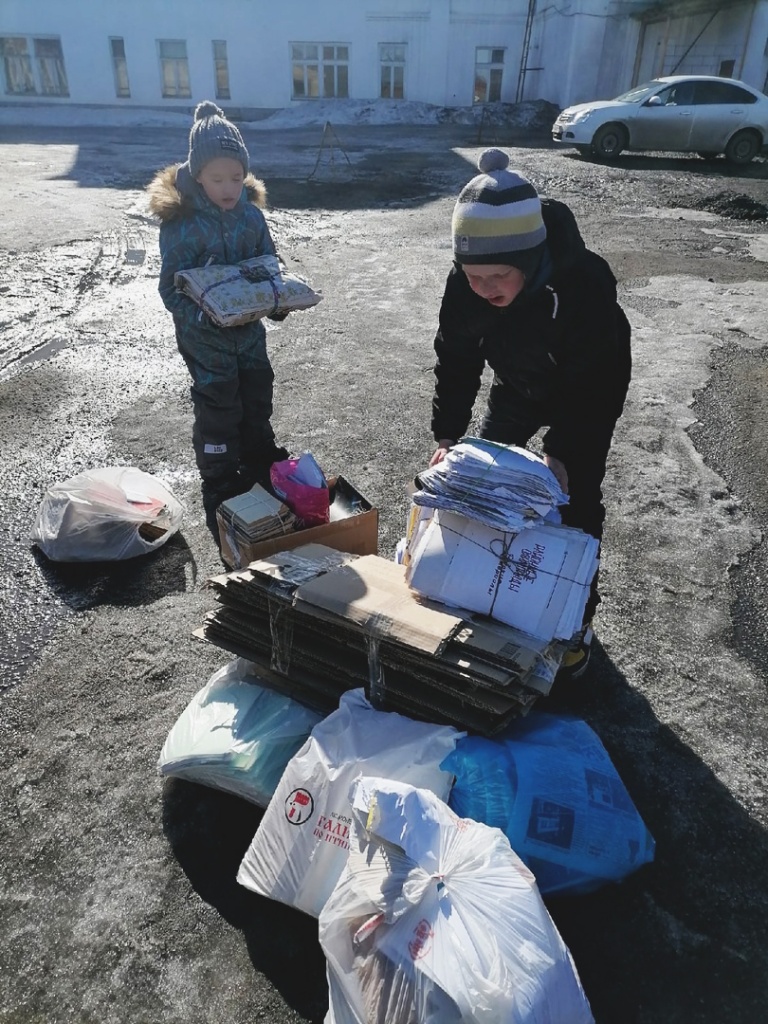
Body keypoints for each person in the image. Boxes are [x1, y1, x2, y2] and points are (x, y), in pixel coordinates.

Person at [429, 148, 632, 678]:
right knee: (485, 478)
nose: (483, 290)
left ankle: (574, 621)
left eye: (497, 276)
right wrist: (448, 434)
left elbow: (594, 382)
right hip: (519, 380)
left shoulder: (585, 282)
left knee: (574, 495)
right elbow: (456, 357)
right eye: (472, 276)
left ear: (527, 259)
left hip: (589, 386)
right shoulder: (466, 286)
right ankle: (486, 589)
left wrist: (562, 450)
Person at [148, 100, 289, 528]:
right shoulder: (183, 225)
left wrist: (277, 299)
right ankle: (220, 475)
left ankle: (258, 453)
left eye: (236, 177)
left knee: (257, 391)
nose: (229, 188)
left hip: (248, 333)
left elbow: (269, 264)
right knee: (219, 405)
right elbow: (171, 289)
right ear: (197, 176)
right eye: (217, 179)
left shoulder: (251, 217)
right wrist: (203, 318)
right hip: (206, 339)